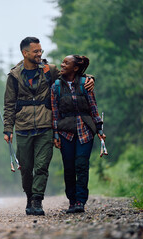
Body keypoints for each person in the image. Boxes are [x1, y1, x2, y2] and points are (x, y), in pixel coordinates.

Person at [2, 37, 95, 216]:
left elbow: (72, 75)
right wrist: (8, 129)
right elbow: (9, 104)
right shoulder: (14, 76)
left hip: (46, 126)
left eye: (40, 51)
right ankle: (29, 198)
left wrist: (90, 77)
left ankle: (37, 201)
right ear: (25, 53)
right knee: (27, 168)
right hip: (23, 127)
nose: (39, 54)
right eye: (36, 51)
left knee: (42, 166)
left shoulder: (49, 70)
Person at [50, 55, 106, 213]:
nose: (62, 65)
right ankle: (72, 200)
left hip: (85, 130)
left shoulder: (85, 84)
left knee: (81, 165)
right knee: (69, 167)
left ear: (75, 68)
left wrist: (99, 129)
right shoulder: (56, 87)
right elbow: (55, 114)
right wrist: (55, 135)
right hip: (65, 132)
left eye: (66, 63)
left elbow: (93, 108)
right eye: (62, 62)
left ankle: (80, 201)